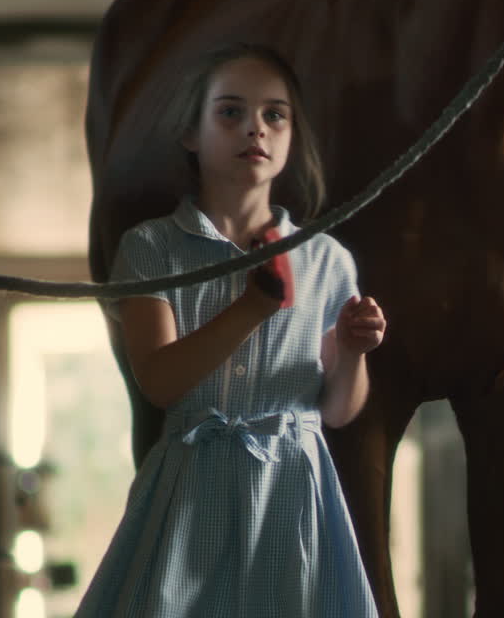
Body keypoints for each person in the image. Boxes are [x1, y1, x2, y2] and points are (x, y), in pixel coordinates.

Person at [77, 42, 385, 617]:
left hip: (293, 490)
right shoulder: (152, 248)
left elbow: (339, 409)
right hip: (190, 489)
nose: (256, 130)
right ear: (191, 133)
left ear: (293, 134)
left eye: (275, 114)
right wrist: (253, 308)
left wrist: (352, 350)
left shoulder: (327, 259)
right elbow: (161, 382)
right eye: (230, 112)